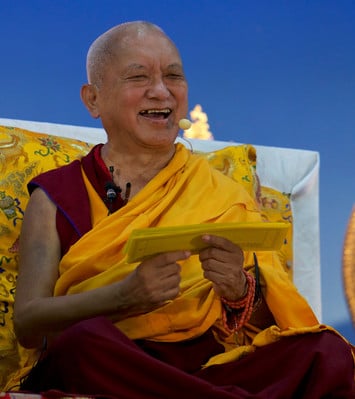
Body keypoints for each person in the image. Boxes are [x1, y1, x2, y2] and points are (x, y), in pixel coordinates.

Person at [6, 21, 355, 398]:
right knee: (82, 343)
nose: (161, 91)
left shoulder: (221, 193)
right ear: (93, 99)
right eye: (138, 77)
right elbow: (28, 323)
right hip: (115, 361)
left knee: (327, 353)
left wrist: (238, 291)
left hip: (206, 368)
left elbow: (273, 321)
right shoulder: (56, 195)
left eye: (173, 76)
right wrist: (123, 297)